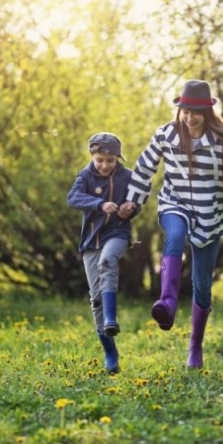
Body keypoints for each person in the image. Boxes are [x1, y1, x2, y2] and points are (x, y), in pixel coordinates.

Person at [119, 80, 223, 369]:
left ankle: (195, 347)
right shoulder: (167, 134)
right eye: (185, 110)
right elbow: (145, 167)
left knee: (202, 285)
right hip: (174, 204)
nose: (189, 117)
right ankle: (167, 302)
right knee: (174, 235)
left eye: (196, 111)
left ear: (207, 112)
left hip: (209, 216)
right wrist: (133, 201)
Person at [67, 132, 139, 374]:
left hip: (117, 233)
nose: (105, 165)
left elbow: (138, 197)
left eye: (110, 160)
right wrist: (99, 204)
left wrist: (132, 207)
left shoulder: (127, 177)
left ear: (118, 158)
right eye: (100, 160)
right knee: (95, 298)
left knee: (108, 261)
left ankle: (111, 318)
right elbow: (73, 198)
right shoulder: (85, 175)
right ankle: (110, 352)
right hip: (91, 240)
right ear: (92, 157)